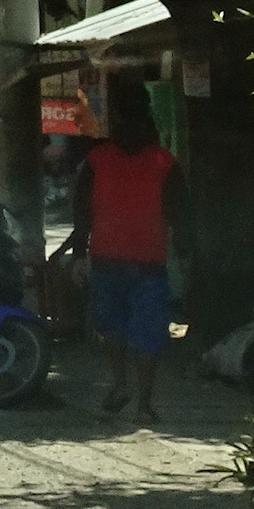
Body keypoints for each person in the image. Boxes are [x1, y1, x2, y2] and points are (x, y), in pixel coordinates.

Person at [68, 78, 190, 422]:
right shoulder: (165, 162)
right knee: (148, 335)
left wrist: (79, 255)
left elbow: (82, 212)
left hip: (107, 258)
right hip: (149, 261)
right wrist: (184, 252)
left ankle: (121, 385)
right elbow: (181, 214)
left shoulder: (98, 159)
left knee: (112, 329)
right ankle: (144, 402)